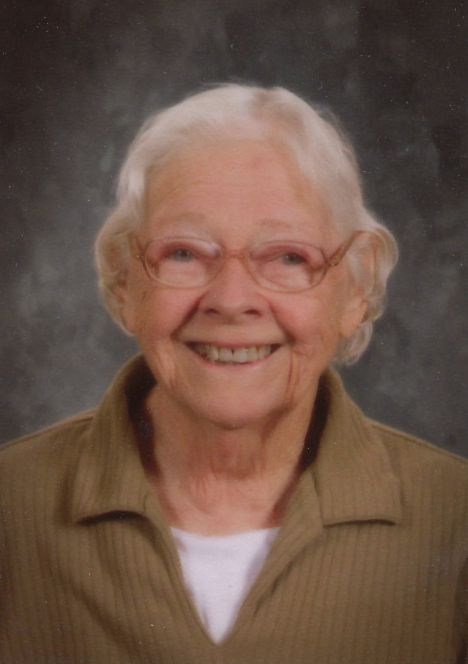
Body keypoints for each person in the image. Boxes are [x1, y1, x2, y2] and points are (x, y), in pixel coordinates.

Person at [0, 84, 467, 664]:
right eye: (184, 253)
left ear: (356, 286)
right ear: (124, 280)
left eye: (289, 257)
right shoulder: (10, 506)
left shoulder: (455, 517)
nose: (231, 299)